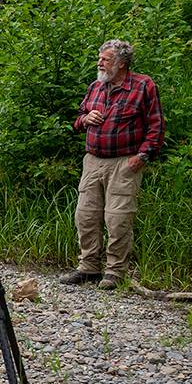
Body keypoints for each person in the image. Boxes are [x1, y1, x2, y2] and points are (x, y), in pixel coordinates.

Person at [60, 40, 164, 290]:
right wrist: (85, 119)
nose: (99, 62)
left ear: (122, 63)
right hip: (93, 160)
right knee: (85, 215)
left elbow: (156, 125)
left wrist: (143, 156)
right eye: (100, 58)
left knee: (117, 218)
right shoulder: (96, 86)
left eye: (105, 59)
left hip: (124, 162)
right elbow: (77, 121)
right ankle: (88, 268)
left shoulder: (143, 85)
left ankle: (115, 272)